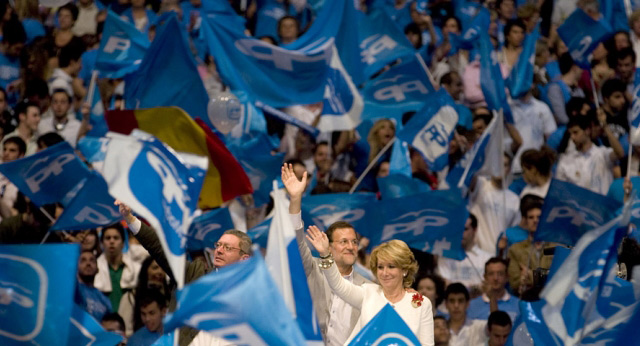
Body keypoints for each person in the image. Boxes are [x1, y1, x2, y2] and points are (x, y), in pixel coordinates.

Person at [282, 163, 370, 345]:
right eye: (343, 242)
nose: (351, 246)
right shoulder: (313, 268)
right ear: (328, 247)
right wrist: (296, 198)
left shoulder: (368, 287)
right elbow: (295, 238)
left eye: (354, 242)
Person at [306, 231, 434, 345]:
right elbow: (338, 285)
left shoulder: (421, 304)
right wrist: (325, 254)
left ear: (404, 270)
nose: (384, 273)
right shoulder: (368, 292)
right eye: (380, 267)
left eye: (391, 266)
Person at [556, 113, 624, 195]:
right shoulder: (565, 161)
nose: (572, 137)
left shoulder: (602, 153)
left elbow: (620, 153)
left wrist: (605, 127)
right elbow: (560, 191)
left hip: (602, 205)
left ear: (587, 131)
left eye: (575, 132)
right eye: (570, 134)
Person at [437, 214, 493, 296]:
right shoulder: (445, 256)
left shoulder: (487, 258)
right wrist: (474, 288)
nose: (460, 233)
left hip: (481, 305)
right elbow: (445, 284)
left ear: (474, 230)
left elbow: (488, 286)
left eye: (465, 229)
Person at [119, 256, 173, 336]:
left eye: (163, 268)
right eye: (155, 268)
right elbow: (123, 330)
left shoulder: (170, 298)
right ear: (145, 271)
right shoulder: (130, 297)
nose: (160, 272)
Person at [94, 223, 141, 311]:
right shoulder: (94, 269)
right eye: (108, 238)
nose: (112, 241)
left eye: (116, 238)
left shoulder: (136, 269)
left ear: (123, 243)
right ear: (102, 243)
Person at [467, 258, 519, 322]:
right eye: (491, 274)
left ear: (507, 277)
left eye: (500, 273)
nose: (495, 278)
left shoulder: (519, 305)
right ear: (485, 277)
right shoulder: (471, 306)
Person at [75, 249, 112, 321]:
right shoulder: (73, 290)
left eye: (92, 260)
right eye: (83, 260)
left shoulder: (105, 299)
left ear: (97, 269)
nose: (88, 263)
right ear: (76, 267)